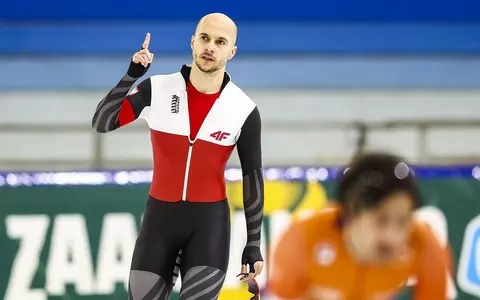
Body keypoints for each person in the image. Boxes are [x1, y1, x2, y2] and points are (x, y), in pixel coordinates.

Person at [91, 13, 264, 300]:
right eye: (205, 38)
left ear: (231, 52)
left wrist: (253, 243)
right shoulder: (156, 89)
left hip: (209, 227)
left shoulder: (243, 109)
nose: (210, 47)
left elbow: (253, 179)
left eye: (220, 42)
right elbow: (102, 122)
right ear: (193, 41)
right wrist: (132, 74)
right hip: (160, 223)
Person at [268, 152, 449, 300]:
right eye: (381, 220)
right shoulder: (303, 238)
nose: (394, 236)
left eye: (403, 221)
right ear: (351, 213)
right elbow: (282, 294)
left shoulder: (423, 244)